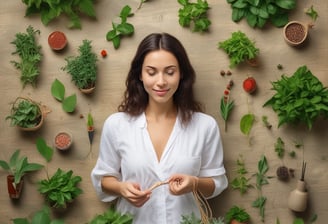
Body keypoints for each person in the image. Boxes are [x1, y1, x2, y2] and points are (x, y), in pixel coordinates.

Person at [91, 33, 228, 224]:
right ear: (140, 74)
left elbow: (217, 183)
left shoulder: (204, 126)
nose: (161, 81)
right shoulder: (117, 124)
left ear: (181, 74)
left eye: (170, 72)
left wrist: (194, 184)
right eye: (152, 72)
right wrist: (121, 188)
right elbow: (103, 178)